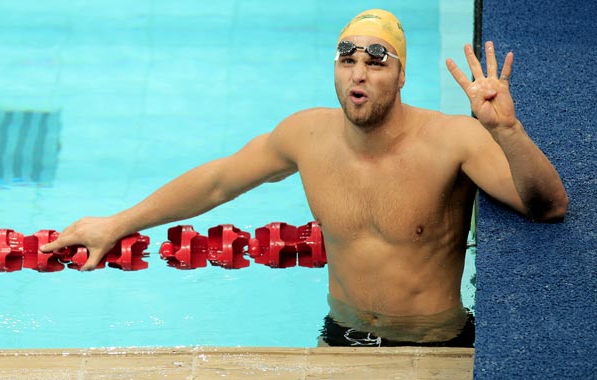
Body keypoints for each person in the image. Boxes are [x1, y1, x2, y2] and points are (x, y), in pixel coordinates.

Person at [41, 9, 568, 347]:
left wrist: (508, 130)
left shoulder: (454, 140)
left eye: (377, 62)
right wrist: (118, 222)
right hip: (340, 338)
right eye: (347, 59)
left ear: (402, 75)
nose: (358, 73)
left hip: (434, 345)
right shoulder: (306, 137)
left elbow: (547, 206)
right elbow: (219, 182)